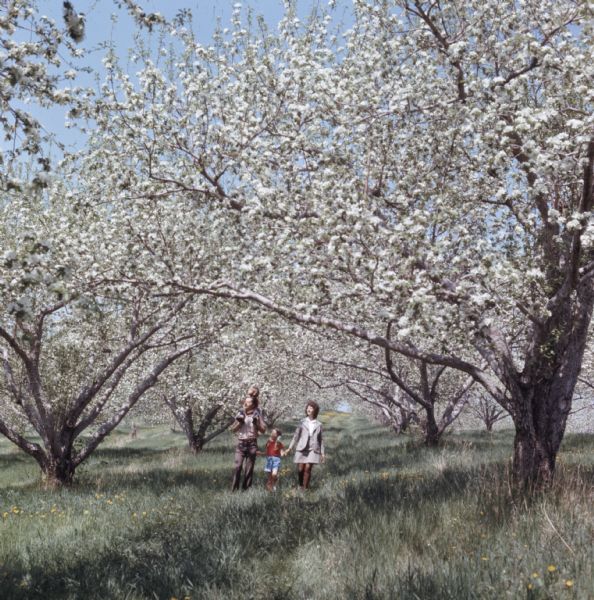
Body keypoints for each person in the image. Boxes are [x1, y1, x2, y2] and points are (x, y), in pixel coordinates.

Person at [230, 385, 267, 491]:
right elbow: (233, 429)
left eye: (248, 402)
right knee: (237, 467)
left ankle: (245, 490)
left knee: (249, 469)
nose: (245, 403)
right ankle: (233, 490)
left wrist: (256, 424)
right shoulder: (240, 413)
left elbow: (263, 430)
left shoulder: (257, 413)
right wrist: (239, 423)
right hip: (241, 443)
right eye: (245, 402)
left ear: (254, 405)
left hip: (252, 444)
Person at [283, 401, 325, 490]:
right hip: (301, 448)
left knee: (308, 468)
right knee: (300, 469)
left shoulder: (319, 424)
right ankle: (301, 485)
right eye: (308, 407)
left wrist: (322, 453)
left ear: (315, 410)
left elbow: (321, 440)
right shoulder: (302, 422)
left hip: (313, 449)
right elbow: (296, 436)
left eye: (311, 408)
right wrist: (290, 448)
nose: (308, 409)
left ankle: (305, 489)